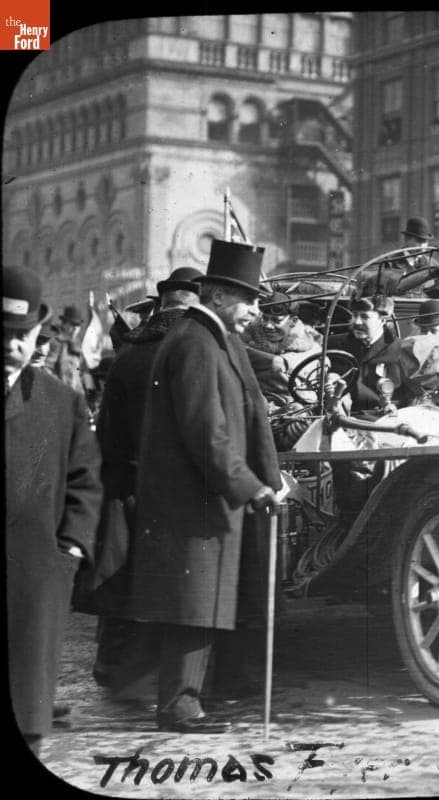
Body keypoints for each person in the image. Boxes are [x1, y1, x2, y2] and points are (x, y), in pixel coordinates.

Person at [124, 239, 281, 733]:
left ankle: (193, 696)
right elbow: (204, 430)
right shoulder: (195, 342)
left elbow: (245, 414)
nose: (255, 312)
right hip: (194, 499)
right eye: (248, 301)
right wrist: (250, 486)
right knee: (194, 603)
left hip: (208, 496)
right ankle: (178, 706)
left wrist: (267, 478)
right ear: (215, 297)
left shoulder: (215, 338)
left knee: (206, 600)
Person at [77, 267, 204, 696]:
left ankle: (112, 668)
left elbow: (107, 427)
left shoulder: (129, 352)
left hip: (123, 479)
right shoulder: (186, 350)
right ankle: (153, 678)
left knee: (120, 578)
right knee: (167, 584)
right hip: (168, 486)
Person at [5, 266, 102, 757]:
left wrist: (71, 544)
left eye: (22, 336)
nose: (11, 347)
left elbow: (86, 481)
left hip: (36, 567)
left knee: (28, 710)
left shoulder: (60, 402)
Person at [327, 295, 406, 413]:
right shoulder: (332, 344)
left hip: (379, 420)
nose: (357, 322)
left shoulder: (399, 349)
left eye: (365, 316)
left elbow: (406, 398)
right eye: (354, 315)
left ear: (383, 320)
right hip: (339, 416)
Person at [44, 303, 88, 396]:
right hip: (57, 395)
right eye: (72, 324)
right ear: (64, 323)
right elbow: (46, 369)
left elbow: (80, 375)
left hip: (74, 397)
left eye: (78, 325)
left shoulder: (78, 345)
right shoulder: (55, 340)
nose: (75, 329)